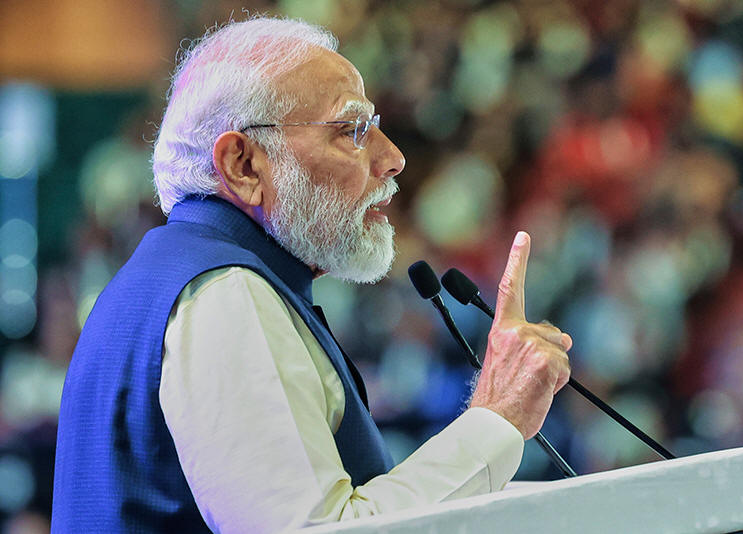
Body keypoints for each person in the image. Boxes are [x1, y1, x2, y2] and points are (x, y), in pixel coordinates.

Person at [52, 15, 572, 534]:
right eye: (351, 130)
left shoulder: (166, 277)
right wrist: (497, 420)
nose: (393, 158)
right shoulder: (223, 292)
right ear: (242, 165)